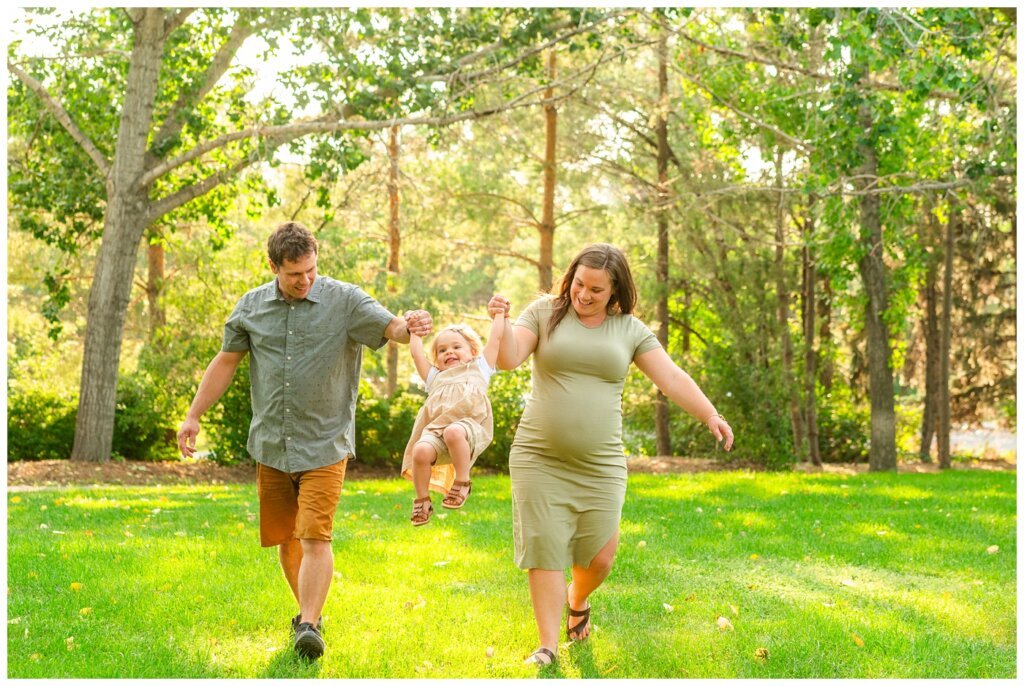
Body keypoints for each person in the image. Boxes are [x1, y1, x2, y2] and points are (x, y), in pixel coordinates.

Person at [176, 221, 432, 661]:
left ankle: (310, 623)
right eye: (295, 274)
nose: (305, 280)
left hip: (325, 443)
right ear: (274, 266)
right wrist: (194, 415)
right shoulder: (251, 306)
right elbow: (226, 361)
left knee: (315, 535)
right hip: (272, 444)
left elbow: (393, 329)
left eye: (311, 270)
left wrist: (412, 324)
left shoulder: (345, 300)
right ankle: (306, 616)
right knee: (287, 539)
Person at [487, 243, 734, 666]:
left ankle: (577, 598)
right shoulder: (546, 313)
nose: (583, 294)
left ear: (616, 290)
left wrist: (708, 412)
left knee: (600, 555)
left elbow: (671, 377)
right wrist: (500, 320)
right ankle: (547, 646)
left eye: (596, 290)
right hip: (539, 455)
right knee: (545, 548)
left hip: (599, 461)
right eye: (579, 283)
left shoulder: (629, 330)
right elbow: (508, 358)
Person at [400, 313, 504, 525]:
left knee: (454, 431)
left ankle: (462, 481)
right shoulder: (434, 377)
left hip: (470, 428)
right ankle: (422, 500)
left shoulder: (480, 368)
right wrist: (415, 332)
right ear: (436, 358)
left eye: (457, 347)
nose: (449, 352)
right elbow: (416, 355)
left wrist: (499, 315)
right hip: (437, 431)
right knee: (420, 450)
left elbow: (495, 339)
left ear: (473, 351)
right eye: (442, 350)